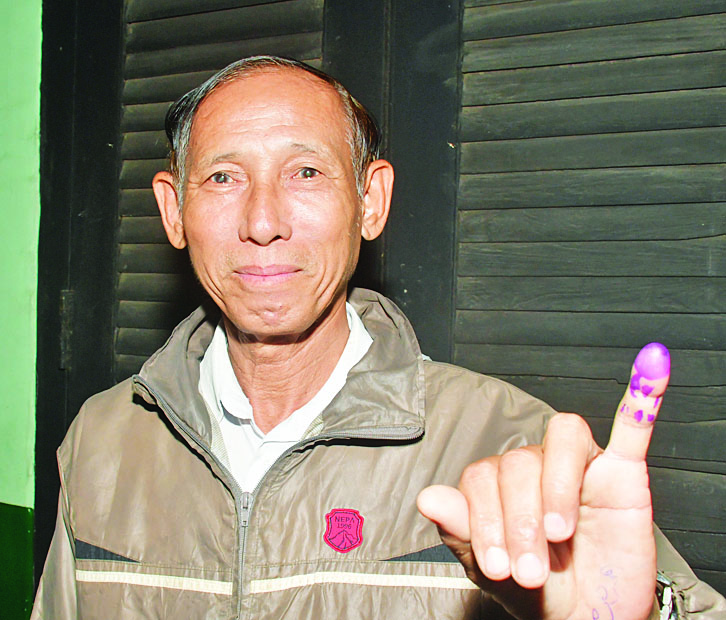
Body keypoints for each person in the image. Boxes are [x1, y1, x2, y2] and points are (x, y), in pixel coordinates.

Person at [32, 56, 725, 619]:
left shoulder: (507, 443)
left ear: (371, 201)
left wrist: (638, 615)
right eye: (223, 177)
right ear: (173, 210)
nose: (263, 221)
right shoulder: (104, 440)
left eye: (305, 173)